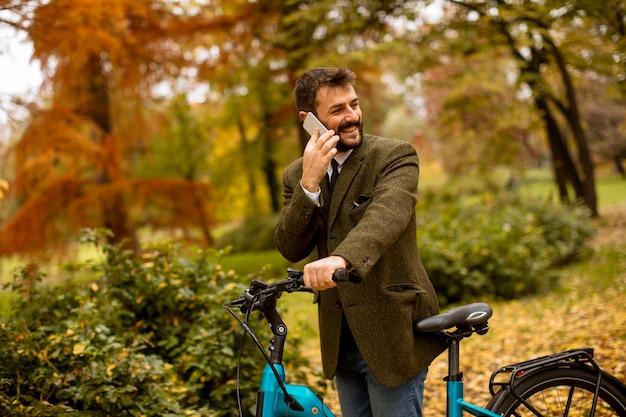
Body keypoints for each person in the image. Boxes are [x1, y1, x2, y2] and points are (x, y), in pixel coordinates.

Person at [274, 67, 447, 417]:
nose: (352, 117)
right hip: (340, 339)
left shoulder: (394, 156)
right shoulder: (296, 175)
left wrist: (341, 259)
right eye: (337, 111)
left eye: (354, 104)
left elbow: (386, 216)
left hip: (392, 330)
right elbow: (290, 246)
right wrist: (309, 185)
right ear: (309, 120)